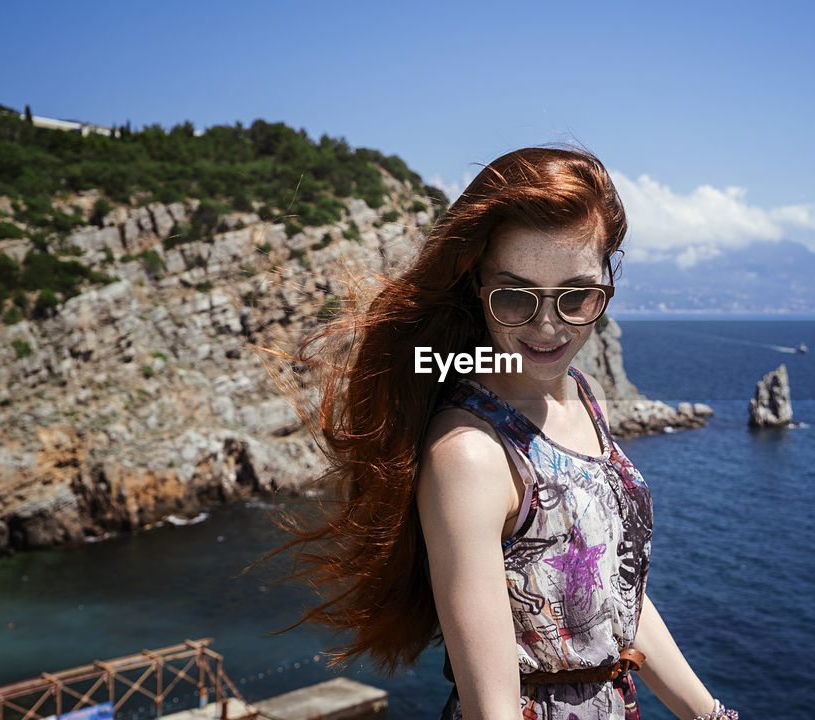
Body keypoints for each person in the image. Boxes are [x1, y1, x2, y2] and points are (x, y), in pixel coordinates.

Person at [260, 145, 738, 720]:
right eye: (516, 295)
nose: (547, 325)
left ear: (606, 282)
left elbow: (615, 590)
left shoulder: (583, 396)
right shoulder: (470, 455)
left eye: (577, 295)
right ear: (477, 286)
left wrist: (710, 715)